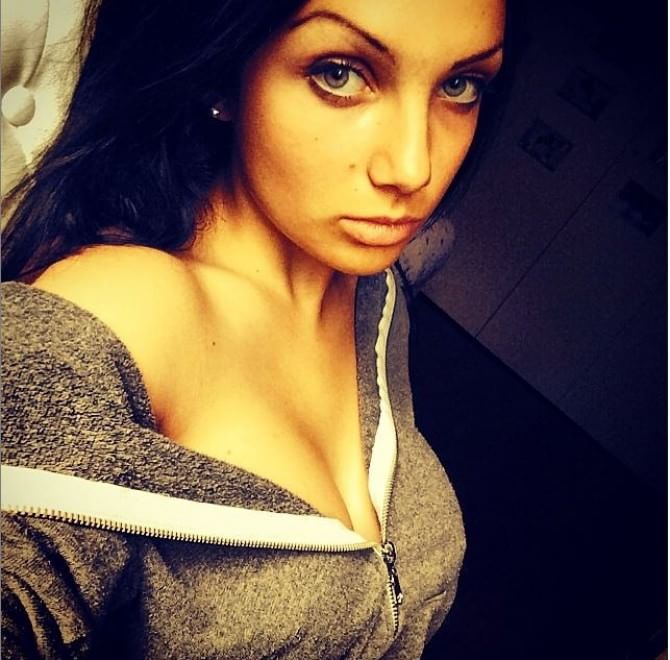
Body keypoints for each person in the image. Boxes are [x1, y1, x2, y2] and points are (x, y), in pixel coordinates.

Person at [1, 0, 507, 657]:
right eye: (339, 73)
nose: (414, 168)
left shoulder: (374, 294)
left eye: (459, 85)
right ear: (223, 74)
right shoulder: (108, 315)